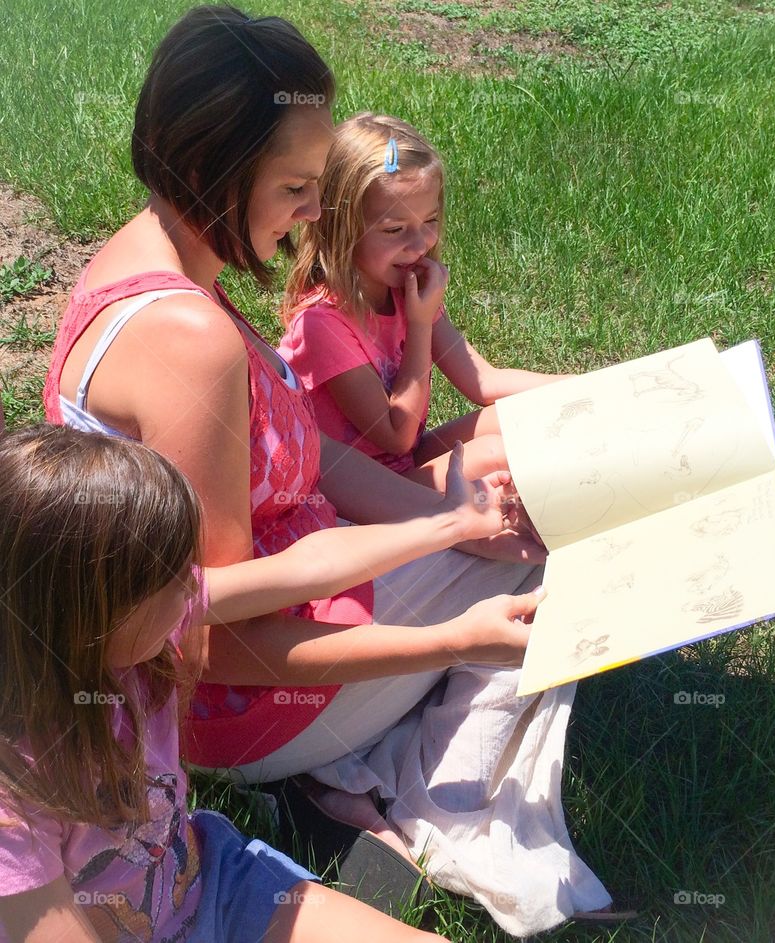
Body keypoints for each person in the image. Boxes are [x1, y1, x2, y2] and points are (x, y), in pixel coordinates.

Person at [42, 5, 614, 934]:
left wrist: (448, 516)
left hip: (275, 632)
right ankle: (429, 792)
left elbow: (309, 472)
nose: (316, 213)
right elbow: (221, 639)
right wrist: (454, 636)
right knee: (548, 553)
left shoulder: (138, 261)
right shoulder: (192, 344)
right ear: (211, 171)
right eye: (296, 187)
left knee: (508, 505)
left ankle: (358, 764)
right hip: (246, 713)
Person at [0, 424, 447, 943]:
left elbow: (310, 569)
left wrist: (455, 526)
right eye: (172, 578)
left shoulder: (130, 638)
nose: (196, 587)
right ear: (85, 613)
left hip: (219, 884)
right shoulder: (15, 802)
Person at [279, 112, 566, 489]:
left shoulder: (405, 289)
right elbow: (397, 433)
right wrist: (418, 324)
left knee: (523, 414)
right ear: (341, 228)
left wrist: (594, 384)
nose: (419, 245)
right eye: (395, 229)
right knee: (492, 454)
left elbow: (483, 382)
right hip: (353, 495)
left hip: (403, 466)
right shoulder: (322, 324)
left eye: (429, 221)